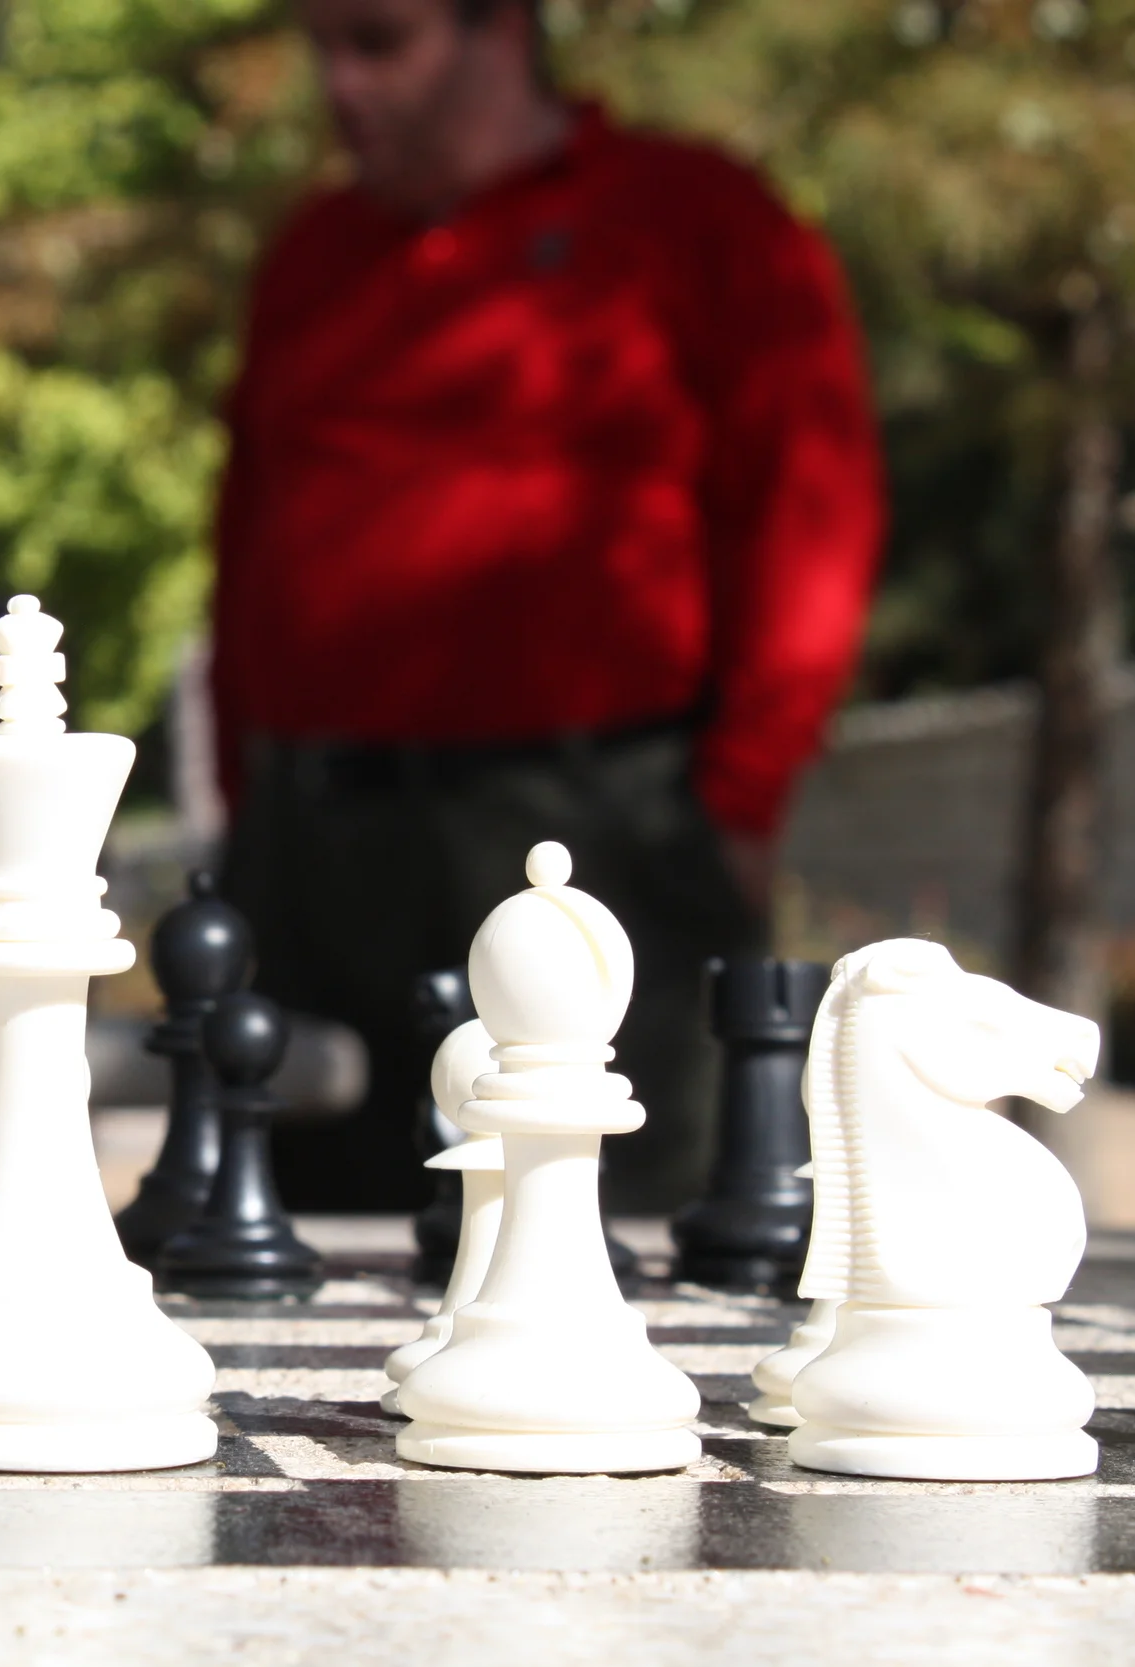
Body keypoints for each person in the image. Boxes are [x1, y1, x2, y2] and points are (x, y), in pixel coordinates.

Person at [214, 0, 884, 1213]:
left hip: (590, 826)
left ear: (499, 32)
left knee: (605, 1238)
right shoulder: (311, 252)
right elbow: (247, 529)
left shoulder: (696, 217)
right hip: (317, 840)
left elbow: (810, 507)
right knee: (297, 1238)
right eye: (322, 47)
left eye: (377, 42)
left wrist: (740, 789)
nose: (339, 85)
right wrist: (245, 794)